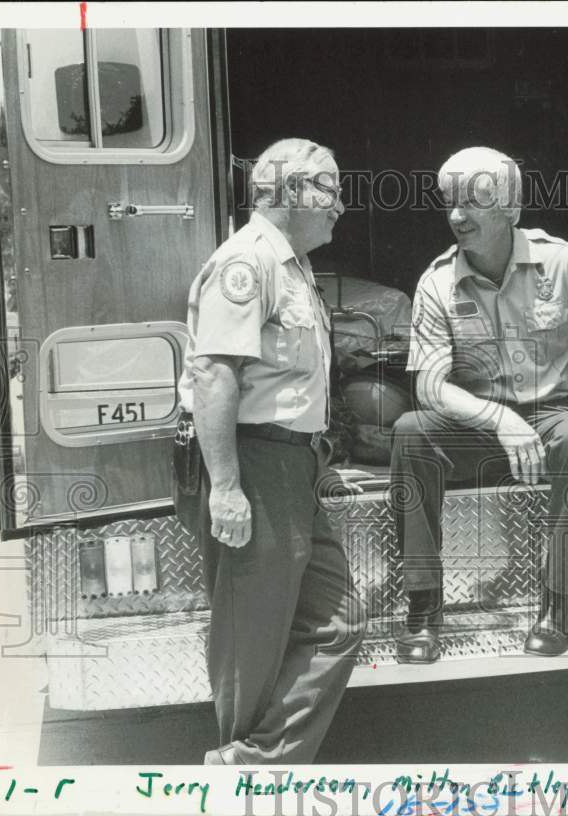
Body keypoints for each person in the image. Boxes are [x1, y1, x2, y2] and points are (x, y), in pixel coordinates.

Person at [391, 146, 568, 662]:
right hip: (475, 419)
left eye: (472, 201)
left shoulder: (559, 261)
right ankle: (423, 609)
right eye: (450, 201)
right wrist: (498, 419)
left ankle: (557, 605)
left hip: (554, 413)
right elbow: (429, 386)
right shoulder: (436, 282)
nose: (456, 215)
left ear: (511, 210)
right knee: (410, 430)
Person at [175, 138, 366, 764]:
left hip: (292, 467)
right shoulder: (247, 263)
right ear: (292, 193)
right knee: (251, 635)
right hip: (254, 465)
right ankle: (242, 772)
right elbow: (214, 375)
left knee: (338, 625)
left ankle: (252, 764)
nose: (341, 205)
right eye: (331, 189)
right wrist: (226, 487)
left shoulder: (291, 266)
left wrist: (318, 458)